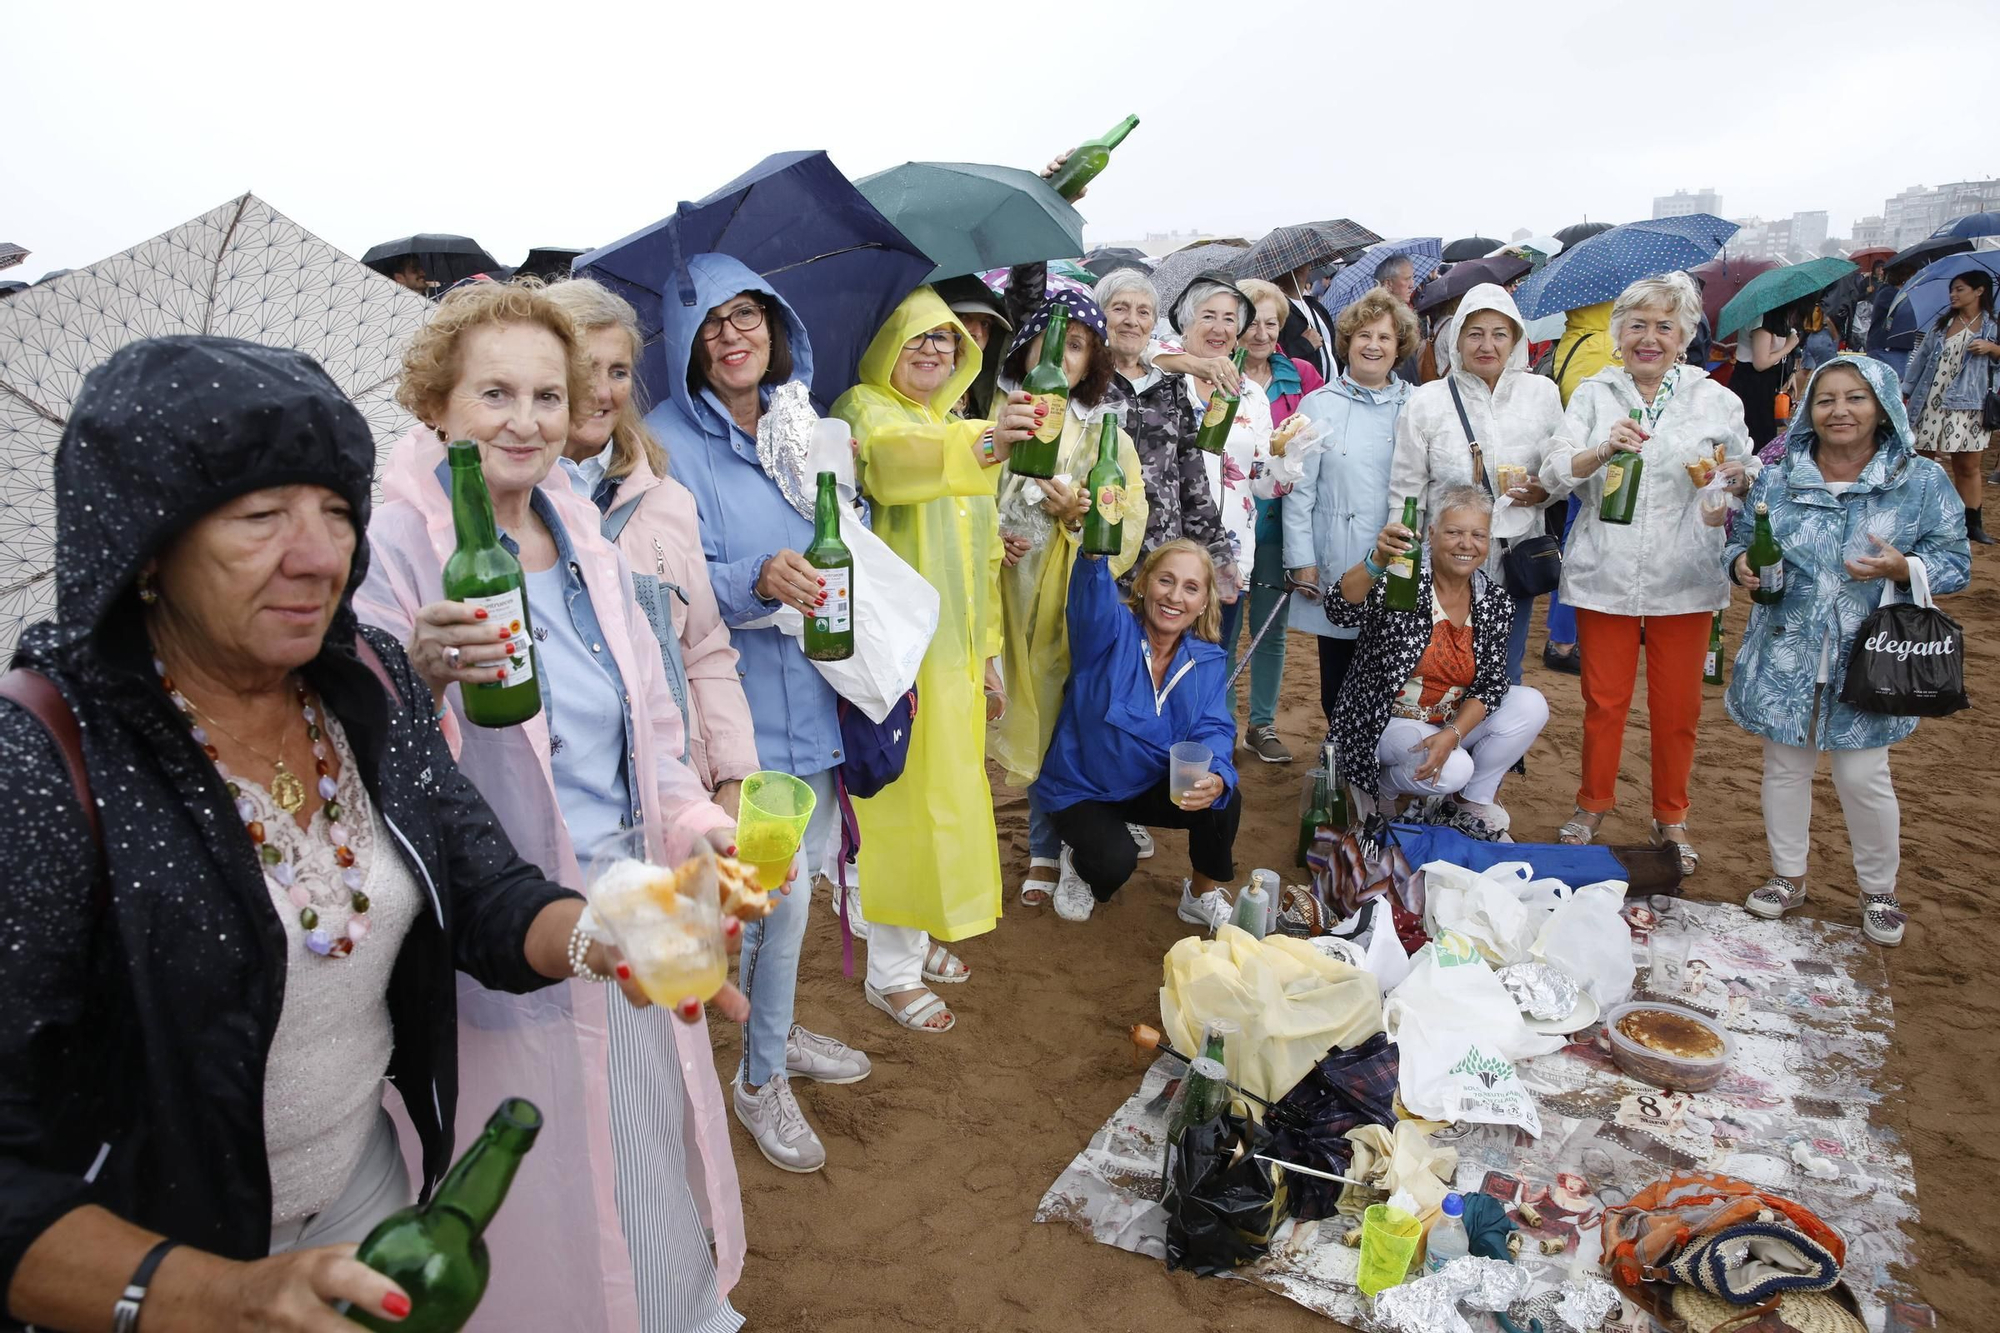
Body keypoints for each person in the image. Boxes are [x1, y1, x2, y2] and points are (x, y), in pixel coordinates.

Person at [0, 336, 701, 1332]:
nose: (320, 554)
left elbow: (481, 882)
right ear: (146, 545)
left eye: (335, 510)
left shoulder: (360, 681)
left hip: (364, 1202)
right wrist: (229, 1294)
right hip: (158, 1267)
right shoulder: (46, 760)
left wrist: (603, 937)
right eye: (259, 516)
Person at [355, 279, 749, 1331]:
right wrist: (420, 672)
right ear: (437, 403)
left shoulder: (587, 539)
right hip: (502, 924)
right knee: (532, 1184)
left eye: (544, 394)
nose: (523, 421)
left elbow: (652, 734)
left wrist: (705, 832)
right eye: (494, 393)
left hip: (629, 896)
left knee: (645, 1140)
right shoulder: (392, 547)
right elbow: (356, 747)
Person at [551, 275, 869, 1176]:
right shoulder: (666, 454)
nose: (733, 334)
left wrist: (851, 517)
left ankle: (772, 1040)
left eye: (750, 315)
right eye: (711, 322)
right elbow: (701, 603)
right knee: (739, 908)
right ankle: (749, 1077)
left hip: (792, 700)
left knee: (794, 885)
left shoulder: (796, 429)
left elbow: (701, 630)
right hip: (696, 745)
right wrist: (757, 579)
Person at [831, 288, 1041, 1034]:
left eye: (947, 343)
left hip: (950, 656)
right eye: (918, 339)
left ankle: (916, 938)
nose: (933, 352)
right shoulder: (865, 410)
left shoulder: (948, 420)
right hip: (895, 655)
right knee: (900, 807)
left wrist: (986, 653)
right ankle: (888, 970)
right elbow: (890, 467)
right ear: (888, 345)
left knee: (949, 800)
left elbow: (982, 555)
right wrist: (988, 444)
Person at [1724, 355, 1970, 947]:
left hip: (1871, 652)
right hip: (1785, 649)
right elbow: (1738, 542)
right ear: (1809, 409)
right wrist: (1740, 567)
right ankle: (1788, 878)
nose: (1839, 410)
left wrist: (1903, 566)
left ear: (1882, 406)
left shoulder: (1919, 480)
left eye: (1855, 397)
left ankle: (1879, 890)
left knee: (1864, 776)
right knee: (1785, 769)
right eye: (1826, 398)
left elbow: (1955, 560)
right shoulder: (1779, 476)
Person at [1544, 273, 1755, 874]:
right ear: (1618, 333)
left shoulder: (1714, 398)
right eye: (1637, 325)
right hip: (1605, 570)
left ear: (1685, 335)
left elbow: (1744, 467)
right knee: (1603, 701)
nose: (1649, 337)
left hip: (1685, 571)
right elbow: (1559, 470)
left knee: (1678, 707)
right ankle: (1592, 804)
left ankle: (1671, 816)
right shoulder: (1594, 393)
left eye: (1664, 326)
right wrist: (1603, 449)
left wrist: (1732, 479)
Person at [990, 291, 1148, 916]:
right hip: (1001, 595)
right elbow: (966, 499)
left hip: (1066, 606)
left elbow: (1127, 526)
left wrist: (1079, 520)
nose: (1063, 355)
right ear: (1029, 351)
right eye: (1053, 342)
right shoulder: (995, 420)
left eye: (1078, 346)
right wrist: (987, 539)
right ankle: (1006, 847)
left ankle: (1053, 850)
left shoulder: (1105, 440)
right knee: (1000, 712)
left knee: (1061, 721)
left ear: (1092, 364)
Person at [1320, 486, 1549, 838]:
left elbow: (1490, 684)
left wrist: (1453, 733)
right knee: (1456, 766)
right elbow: (1338, 610)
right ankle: (1384, 787)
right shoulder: (1401, 578)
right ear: (1430, 534)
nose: (1466, 544)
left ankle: (1469, 799)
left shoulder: (1495, 601)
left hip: (1448, 719)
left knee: (1531, 704)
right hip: (1387, 720)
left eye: (1477, 535)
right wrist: (1376, 561)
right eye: (1454, 532)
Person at [1035, 541, 1240, 922]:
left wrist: (1217, 776)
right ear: (1144, 583)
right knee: (1114, 864)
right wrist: (1094, 554)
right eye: (1166, 580)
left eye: (1191, 588)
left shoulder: (1206, 658)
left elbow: (1213, 726)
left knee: (1223, 797)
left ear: (1203, 601)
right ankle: (1077, 862)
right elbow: (1090, 599)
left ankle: (1200, 894)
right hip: (1081, 787)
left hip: (1145, 783)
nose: (1175, 597)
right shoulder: (1108, 632)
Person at [1389, 283, 1563, 682]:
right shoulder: (1428, 401)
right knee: (1439, 668)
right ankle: (1445, 745)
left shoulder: (1541, 394)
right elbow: (1406, 487)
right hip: (1446, 562)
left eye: (1499, 334)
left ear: (1516, 339)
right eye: (1475, 333)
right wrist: (1405, 555)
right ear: (1457, 339)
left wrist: (1546, 490)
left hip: (1514, 553)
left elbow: (1560, 465)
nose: (1487, 345)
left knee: (1503, 669)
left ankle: (1504, 745)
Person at [1284, 288, 1419, 721]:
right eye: (1364, 335)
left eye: (1385, 337)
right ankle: (1338, 773)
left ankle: (1385, 778)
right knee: (1338, 685)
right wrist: (1301, 559)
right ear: (1347, 341)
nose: (1373, 346)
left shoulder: (1418, 405)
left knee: (1395, 683)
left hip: (1403, 563)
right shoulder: (1318, 404)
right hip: (1339, 562)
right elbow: (1300, 489)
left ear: (1399, 348)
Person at [1169, 275, 1277, 705]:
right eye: (1208, 316)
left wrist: (1290, 456)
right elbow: (1139, 354)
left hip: (1230, 552)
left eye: (1229, 319)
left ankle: (1203, 752)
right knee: (1164, 654)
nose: (1219, 328)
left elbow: (1266, 483)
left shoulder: (1251, 394)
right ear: (1185, 323)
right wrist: (1189, 365)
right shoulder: (1163, 379)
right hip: (1171, 548)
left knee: (1216, 654)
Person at [1234, 277, 1325, 763]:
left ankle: (1262, 724)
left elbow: (1317, 440)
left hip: (1279, 525)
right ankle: (1219, 723)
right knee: (1222, 631)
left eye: (1271, 323)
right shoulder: (1215, 374)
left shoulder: (1304, 376)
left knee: (1270, 630)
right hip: (1228, 523)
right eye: (1252, 322)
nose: (1261, 333)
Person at [1539, 299, 1619, 674]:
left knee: (1572, 540)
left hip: (1580, 455)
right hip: (1595, 460)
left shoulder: (1574, 332)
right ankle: (1563, 639)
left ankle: (1563, 635)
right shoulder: (1604, 342)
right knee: (1576, 544)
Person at [1901, 270, 1999, 544]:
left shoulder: (1992, 326)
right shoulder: (1941, 325)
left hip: (1971, 405)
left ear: (1979, 291)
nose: (1953, 295)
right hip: (1930, 401)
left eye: (1960, 289)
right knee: (1921, 462)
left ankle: (1972, 524)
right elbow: (1919, 362)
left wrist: (1992, 348)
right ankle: (1916, 519)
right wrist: (1904, 392)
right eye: (1952, 290)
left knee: (1968, 466)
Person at [1730, 307, 1802, 451]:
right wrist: (1788, 347)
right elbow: (1760, 363)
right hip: (1751, 386)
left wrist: (1792, 372)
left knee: (1766, 435)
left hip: (1768, 384)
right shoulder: (1761, 319)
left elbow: (1789, 338)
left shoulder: (1779, 317)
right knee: (1753, 440)